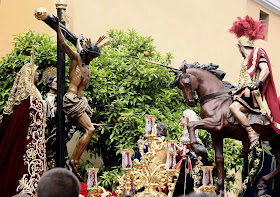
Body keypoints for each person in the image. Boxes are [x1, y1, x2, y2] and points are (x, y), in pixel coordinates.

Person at [53, 17, 110, 171]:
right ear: (87, 53)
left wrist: (79, 39)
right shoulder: (77, 58)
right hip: (72, 100)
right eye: (91, 56)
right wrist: (58, 27)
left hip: (81, 102)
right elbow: (64, 44)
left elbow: (79, 46)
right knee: (89, 130)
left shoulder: (87, 62)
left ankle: (73, 160)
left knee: (90, 128)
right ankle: (74, 160)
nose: (92, 59)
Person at [229, 16, 280, 153]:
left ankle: (251, 133)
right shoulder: (247, 59)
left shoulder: (257, 53)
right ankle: (245, 140)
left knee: (234, 107)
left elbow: (265, 70)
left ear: (240, 47)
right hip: (245, 91)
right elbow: (243, 82)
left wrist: (257, 83)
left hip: (253, 93)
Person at [0, 50, 46, 197]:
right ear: (29, 74)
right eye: (36, 71)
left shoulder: (33, 94)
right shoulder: (28, 97)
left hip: (36, 140)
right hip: (28, 142)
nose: (38, 74)